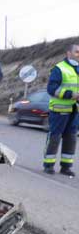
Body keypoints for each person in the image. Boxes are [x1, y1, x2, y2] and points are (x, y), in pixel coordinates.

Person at [43, 43, 79, 177]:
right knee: (55, 137)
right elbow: (52, 89)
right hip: (59, 110)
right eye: (77, 52)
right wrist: (70, 94)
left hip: (74, 110)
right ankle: (48, 165)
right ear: (68, 53)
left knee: (71, 138)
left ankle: (66, 167)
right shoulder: (59, 68)